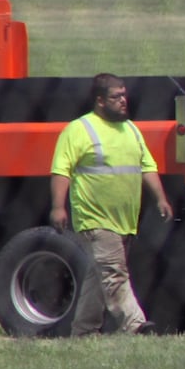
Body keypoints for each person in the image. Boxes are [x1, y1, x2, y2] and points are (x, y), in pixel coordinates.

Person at [49, 73, 174, 336]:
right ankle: (135, 324)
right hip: (95, 219)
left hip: (125, 220)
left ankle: (83, 331)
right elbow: (61, 170)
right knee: (114, 272)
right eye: (116, 96)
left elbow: (147, 166)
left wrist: (161, 198)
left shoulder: (131, 129)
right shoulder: (79, 129)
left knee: (99, 275)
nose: (123, 100)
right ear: (100, 101)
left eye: (124, 95)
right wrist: (58, 207)